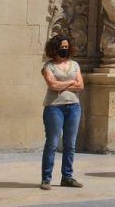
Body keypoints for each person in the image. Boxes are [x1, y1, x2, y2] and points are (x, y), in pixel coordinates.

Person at [40, 35, 84, 190]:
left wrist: (63, 85)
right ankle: (46, 178)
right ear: (55, 48)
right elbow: (52, 85)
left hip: (74, 107)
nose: (64, 49)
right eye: (62, 47)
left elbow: (80, 86)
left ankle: (67, 176)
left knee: (70, 145)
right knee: (52, 143)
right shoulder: (48, 66)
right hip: (54, 107)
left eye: (66, 47)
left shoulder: (75, 65)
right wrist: (71, 82)